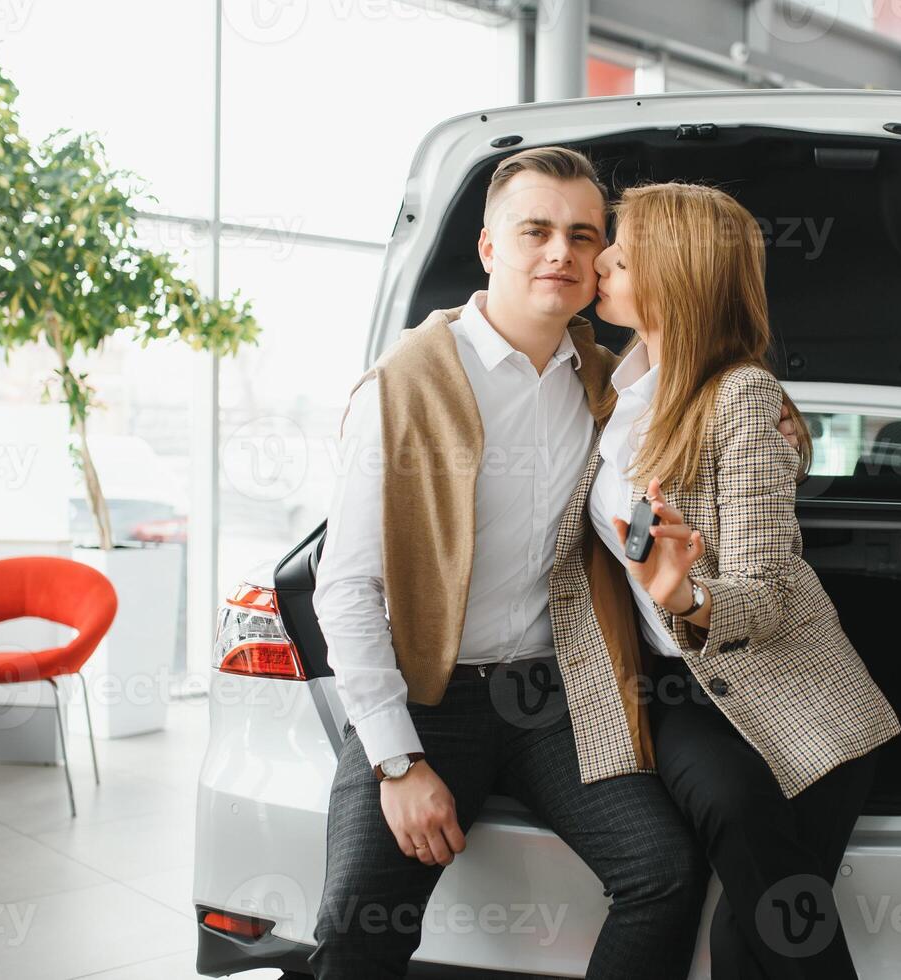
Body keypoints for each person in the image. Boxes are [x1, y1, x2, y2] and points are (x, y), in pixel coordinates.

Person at [309, 147, 799, 979]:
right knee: (358, 923)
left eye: (584, 235)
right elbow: (347, 588)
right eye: (535, 230)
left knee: (664, 873)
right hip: (429, 696)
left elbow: (721, 421)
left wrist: (785, 416)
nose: (562, 254)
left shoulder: (614, 386)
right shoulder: (405, 384)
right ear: (489, 247)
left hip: (555, 697)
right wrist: (399, 762)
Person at [548, 181, 901, 980]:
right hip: (680, 696)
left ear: (676, 273)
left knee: (755, 935)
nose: (598, 260)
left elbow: (767, 594)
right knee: (752, 898)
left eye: (621, 253)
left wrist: (687, 597)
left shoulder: (741, 398)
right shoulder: (615, 391)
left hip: (794, 696)